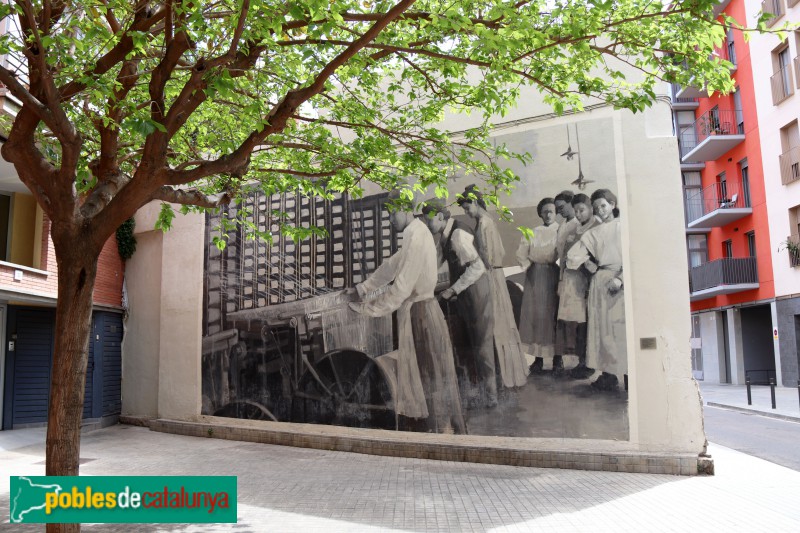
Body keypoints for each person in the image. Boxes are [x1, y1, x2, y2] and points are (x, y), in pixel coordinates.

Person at [349, 191, 467, 433]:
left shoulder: (415, 235)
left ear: (405, 209)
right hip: (421, 312)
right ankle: (446, 432)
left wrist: (367, 310)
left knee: (432, 379)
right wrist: (363, 288)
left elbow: (401, 288)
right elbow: (391, 266)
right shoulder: (415, 233)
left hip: (422, 315)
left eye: (392, 213)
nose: (390, 219)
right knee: (435, 377)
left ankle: (442, 436)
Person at [422, 198, 497, 408]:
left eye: (429, 220)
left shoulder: (458, 234)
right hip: (467, 294)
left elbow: (477, 267)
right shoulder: (444, 237)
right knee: (469, 346)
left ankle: (491, 397)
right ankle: (479, 393)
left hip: (477, 293)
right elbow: (435, 264)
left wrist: (452, 289)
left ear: (439, 216)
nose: (428, 225)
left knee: (482, 346)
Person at [458, 185, 528, 388]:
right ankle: (502, 375)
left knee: (498, 324)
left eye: (467, 207)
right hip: (492, 273)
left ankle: (506, 376)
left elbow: (489, 256)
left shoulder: (486, 223)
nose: (466, 212)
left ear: (475, 203)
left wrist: (480, 271)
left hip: (492, 275)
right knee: (497, 324)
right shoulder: (483, 222)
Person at [566, 189, 627, 391]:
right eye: (596, 207)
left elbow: (632, 257)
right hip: (600, 283)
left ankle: (628, 376)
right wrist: (590, 265)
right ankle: (608, 375)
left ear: (612, 204)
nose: (600, 210)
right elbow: (572, 256)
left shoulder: (623, 227)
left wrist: (620, 279)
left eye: (603, 205)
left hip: (620, 282)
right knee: (603, 331)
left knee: (621, 329)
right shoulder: (592, 233)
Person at [516, 197, 560, 375]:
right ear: (540, 213)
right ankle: (538, 360)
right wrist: (530, 269)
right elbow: (521, 254)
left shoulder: (561, 230)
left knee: (553, 315)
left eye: (551, 211)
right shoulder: (531, 231)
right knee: (536, 316)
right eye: (545, 211)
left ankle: (558, 359)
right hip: (535, 276)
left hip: (553, 274)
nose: (548, 214)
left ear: (556, 212)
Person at [558, 193, 598, 379]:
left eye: (582, 210)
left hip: (587, 279)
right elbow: (566, 254)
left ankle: (590, 363)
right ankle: (583, 362)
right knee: (579, 322)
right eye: (576, 211)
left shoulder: (596, 226)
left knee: (589, 322)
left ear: (590, 208)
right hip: (573, 281)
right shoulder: (575, 228)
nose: (579, 214)